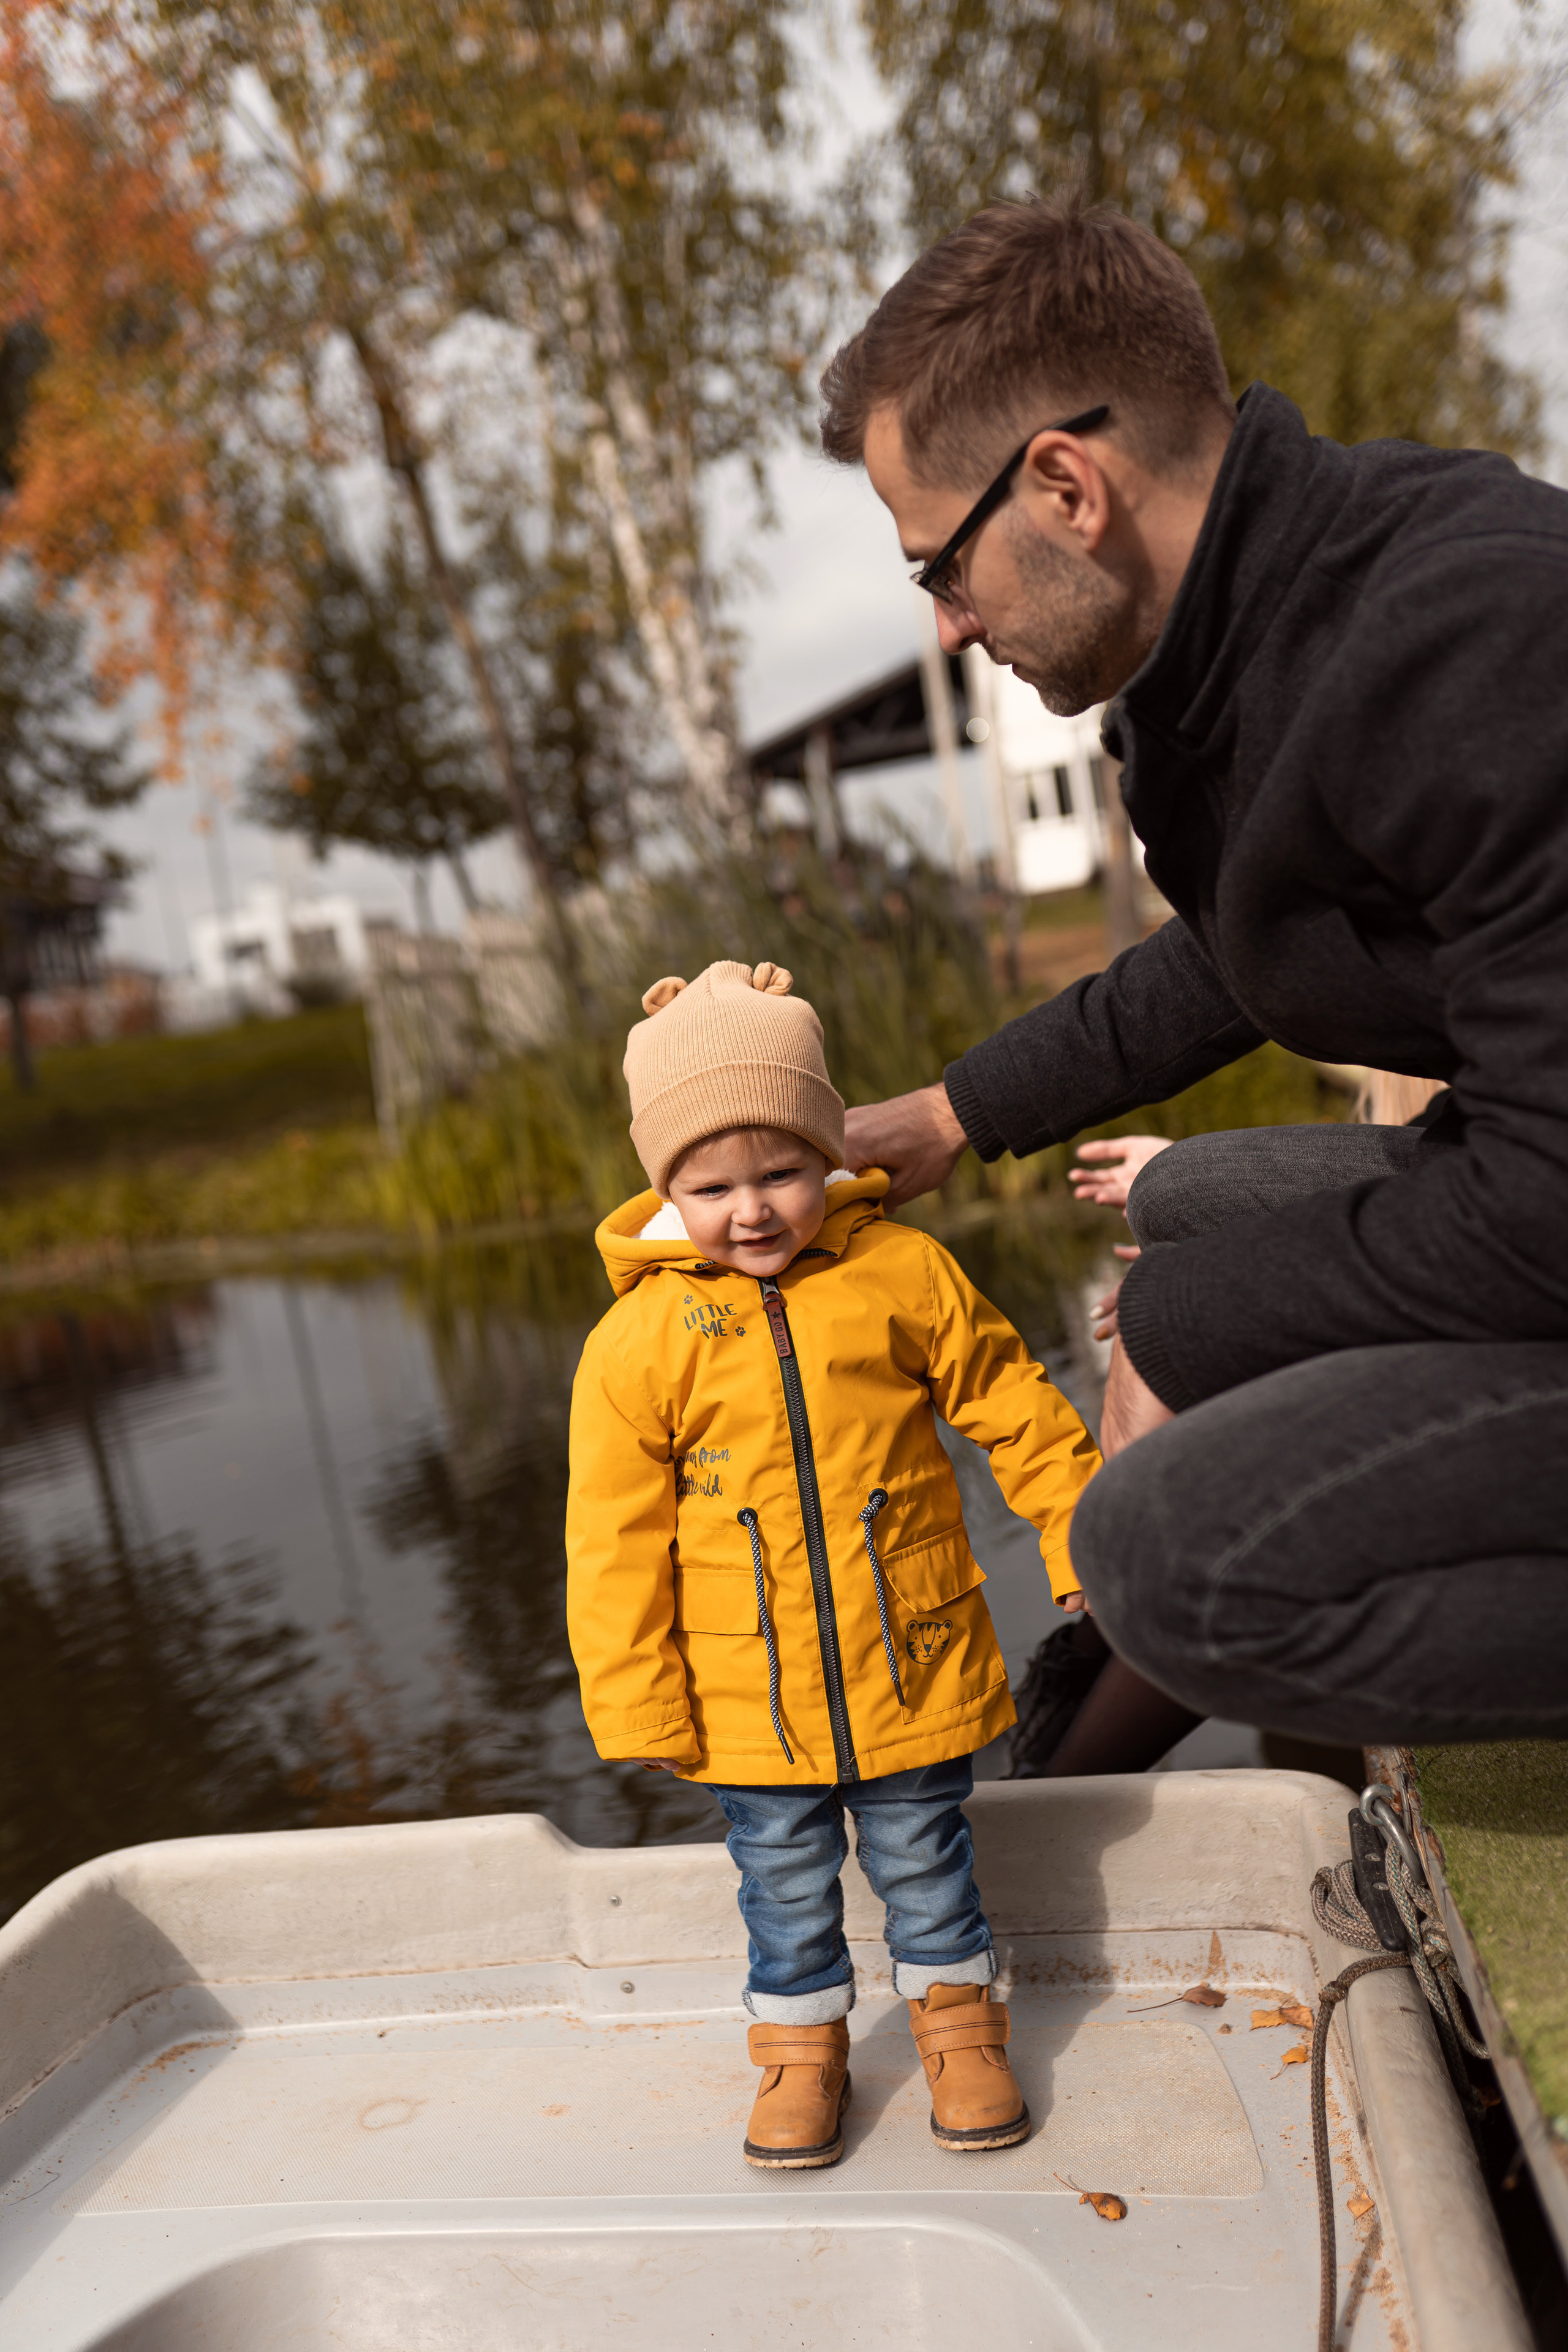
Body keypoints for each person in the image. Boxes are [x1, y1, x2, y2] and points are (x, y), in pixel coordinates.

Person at [820, 195, 1568, 1750]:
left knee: (1174, 1557)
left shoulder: (1472, 635)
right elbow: (1257, 942)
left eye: (937, 571)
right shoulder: (1242, 644)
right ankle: (1072, 1793)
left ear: (1063, 485)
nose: (951, 627)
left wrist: (1186, 1326)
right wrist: (954, 1113)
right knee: (1185, 1213)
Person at [566, 959, 1099, 2169]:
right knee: (783, 1877)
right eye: (711, 1187)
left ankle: (959, 2030)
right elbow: (608, 1536)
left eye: (782, 1172)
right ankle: (799, 2053)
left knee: (924, 1857)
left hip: (906, 1660)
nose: (750, 1209)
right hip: (747, 1692)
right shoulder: (635, 1342)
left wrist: (1078, 1536)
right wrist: (636, 1693)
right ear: (664, 1189)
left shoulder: (900, 1276)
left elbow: (1014, 1406)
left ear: (830, 1154)